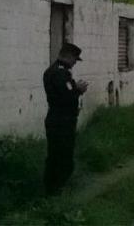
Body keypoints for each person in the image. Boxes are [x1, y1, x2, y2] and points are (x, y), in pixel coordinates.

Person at [42, 42, 88, 195]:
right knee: (62, 156)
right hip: (61, 121)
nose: (75, 62)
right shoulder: (60, 73)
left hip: (59, 119)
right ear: (68, 56)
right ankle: (56, 189)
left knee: (56, 155)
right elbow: (65, 98)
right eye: (75, 58)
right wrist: (79, 91)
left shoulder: (55, 71)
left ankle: (53, 188)